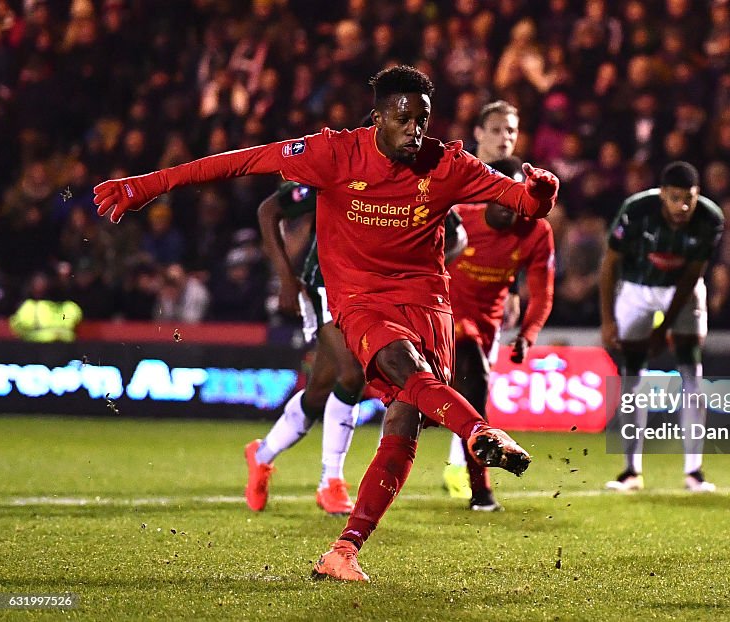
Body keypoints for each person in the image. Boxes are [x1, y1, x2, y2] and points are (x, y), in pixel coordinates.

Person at [93, 65, 559, 582]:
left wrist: (542, 192)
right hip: (361, 300)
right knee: (394, 369)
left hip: (429, 305)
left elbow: (522, 203)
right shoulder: (333, 153)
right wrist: (148, 185)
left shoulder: (447, 163)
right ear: (378, 116)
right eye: (403, 119)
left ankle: (345, 550)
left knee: (403, 425)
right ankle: (478, 432)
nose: (414, 131)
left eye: (422, 120)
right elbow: (240, 162)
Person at [245, 178, 467, 516]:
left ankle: (261, 455)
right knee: (353, 375)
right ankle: (330, 482)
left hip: (377, 293)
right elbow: (269, 209)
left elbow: (457, 235)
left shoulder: (418, 179)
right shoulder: (337, 171)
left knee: (319, 390)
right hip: (328, 286)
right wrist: (287, 277)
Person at [599, 161, 724, 493]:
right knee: (632, 377)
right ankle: (631, 471)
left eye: (689, 198)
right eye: (674, 198)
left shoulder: (711, 219)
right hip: (637, 290)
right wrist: (608, 318)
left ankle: (694, 472)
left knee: (692, 375)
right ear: (662, 195)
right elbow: (610, 262)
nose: (682, 206)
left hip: (681, 291)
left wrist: (664, 327)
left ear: (698, 196)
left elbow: (693, 274)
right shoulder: (636, 210)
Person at [444, 156, 555, 512]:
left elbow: (542, 292)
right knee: (473, 389)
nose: (512, 205)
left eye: (518, 196)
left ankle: (477, 488)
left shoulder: (536, 231)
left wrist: (527, 334)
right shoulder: (457, 218)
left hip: (489, 328)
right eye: (504, 195)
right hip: (442, 318)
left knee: (465, 406)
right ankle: (482, 491)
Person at [442, 99, 523, 501]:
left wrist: (514, 289)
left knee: (472, 385)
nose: (505, 138)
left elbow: (521, 239)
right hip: (446, 298)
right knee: (458, 384)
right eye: (496, 129)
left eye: (511, 130)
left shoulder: (517, 179)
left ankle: (459, 465)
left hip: (489, 300)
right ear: (478, 133)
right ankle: (466, 474)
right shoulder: (459, 175)